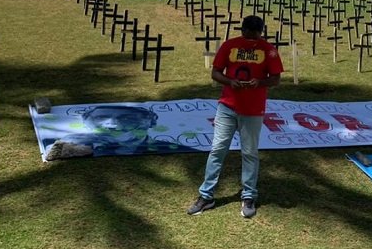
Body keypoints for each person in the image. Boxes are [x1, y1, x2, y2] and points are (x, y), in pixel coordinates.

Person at [187, 15, 283, 218]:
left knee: (249, 153)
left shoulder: (269, 50)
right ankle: (206, 196)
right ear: (244, 30)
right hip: (228, 107)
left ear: (261, 32)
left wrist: (260, 82)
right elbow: (215, 73)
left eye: (257, 34)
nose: (253, 38)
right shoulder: (230, 46)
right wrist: (230, 82)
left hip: (253, 110)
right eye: (250, 33)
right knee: (217, 149)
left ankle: (248, 196)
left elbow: (275, 79)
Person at [44, 105, 177, 160]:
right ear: (85, 121)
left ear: (151, 122)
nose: (112, 125)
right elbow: (51, 154)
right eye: (101, 118)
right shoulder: (67, 141)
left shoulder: (170, 148)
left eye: (127, 119)